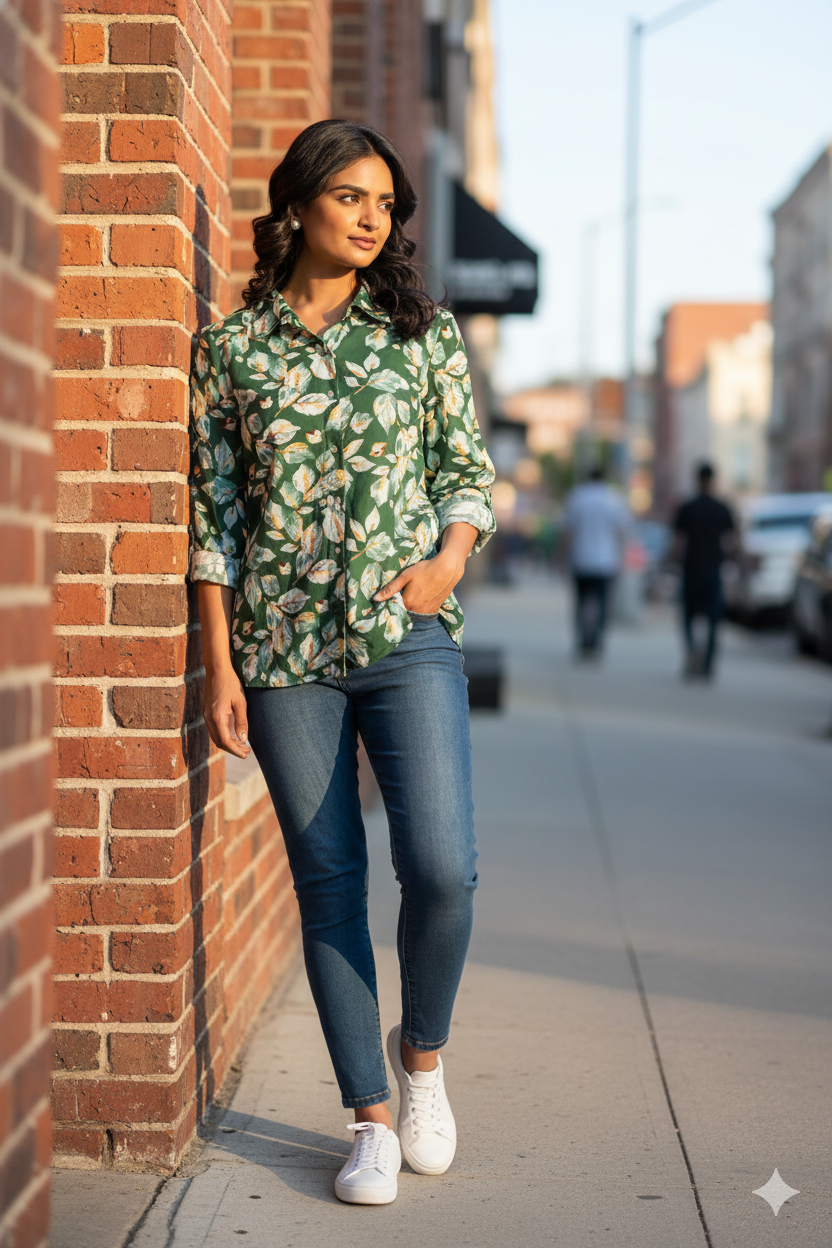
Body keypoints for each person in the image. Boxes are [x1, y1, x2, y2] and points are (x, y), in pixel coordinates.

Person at [189, 119, 496, 1206]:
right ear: (298, 204)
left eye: (385, 204)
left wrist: (445, 565)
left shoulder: (421, 335)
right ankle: (367, 1119)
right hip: (283, 654)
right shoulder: (232, 351)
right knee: (328, 881)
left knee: (443, 869)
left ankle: (422, 1061)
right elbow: (215, 520)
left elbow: (465, 470)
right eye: (351, 197)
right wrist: (219, 664)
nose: (372, 219)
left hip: (405, 636)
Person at [673, 461, 736, 680]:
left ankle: (692, 655)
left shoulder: (687, 507)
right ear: (713, 480)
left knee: (688, 617)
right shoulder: (722, 508)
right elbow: (732, 542)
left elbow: (678, 542)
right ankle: (708, 664)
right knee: (713, 620)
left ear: (698, 480)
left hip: (691, 570)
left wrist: (672, 563)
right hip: (713, 571)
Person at [562, 465, 630, 658]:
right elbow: (622, 531)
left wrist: (561, 557)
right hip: (605, 561)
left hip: (581, 559)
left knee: (581, 603)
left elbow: (568, 531)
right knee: (602, 605)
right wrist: (622, 557)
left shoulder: (578, 497)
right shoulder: (613, 499)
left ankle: (583, 643)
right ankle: (597, 643)